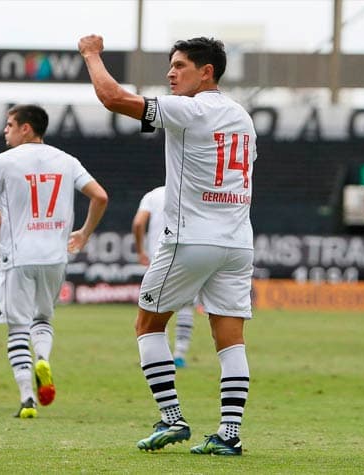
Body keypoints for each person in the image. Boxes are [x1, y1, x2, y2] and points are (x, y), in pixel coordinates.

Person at [80, 35, 256, 455]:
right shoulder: (242, 117)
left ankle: (172, 418)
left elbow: (112, 97)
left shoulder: (190, 109)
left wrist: (91, 54)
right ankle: (229, 435)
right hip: (238, 242)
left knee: (147, 325)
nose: (170, 73)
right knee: (230, 339)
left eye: (179, 66)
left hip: (192, 238)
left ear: (206, 72)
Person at [0, 104, 108, 418]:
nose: (6, 131)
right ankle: (42, 358)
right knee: (42, 320)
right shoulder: (67, 161)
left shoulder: (4, 161)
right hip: (55, 257)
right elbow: (100, 196)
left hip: (19, 257)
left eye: (9, 125)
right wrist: (84, 234)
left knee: (17, 327)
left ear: (26, 129)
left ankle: (27, 399)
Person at [132, 185, 196, 368]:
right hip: (187, 254)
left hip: (159, 256)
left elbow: (138, 223)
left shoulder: (153, 195)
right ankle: (180, 354)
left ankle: (162, 353)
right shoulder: (191, 192)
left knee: (156, 306)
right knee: (186, 305)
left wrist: (140, 251)